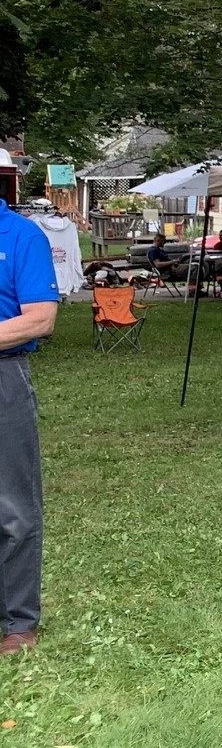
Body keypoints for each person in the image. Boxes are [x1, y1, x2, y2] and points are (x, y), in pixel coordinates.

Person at [0, 193, 61, 654]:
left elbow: (40, 319)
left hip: (3, 375)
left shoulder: (21, 236)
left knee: (13, 506)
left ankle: (19, 620)